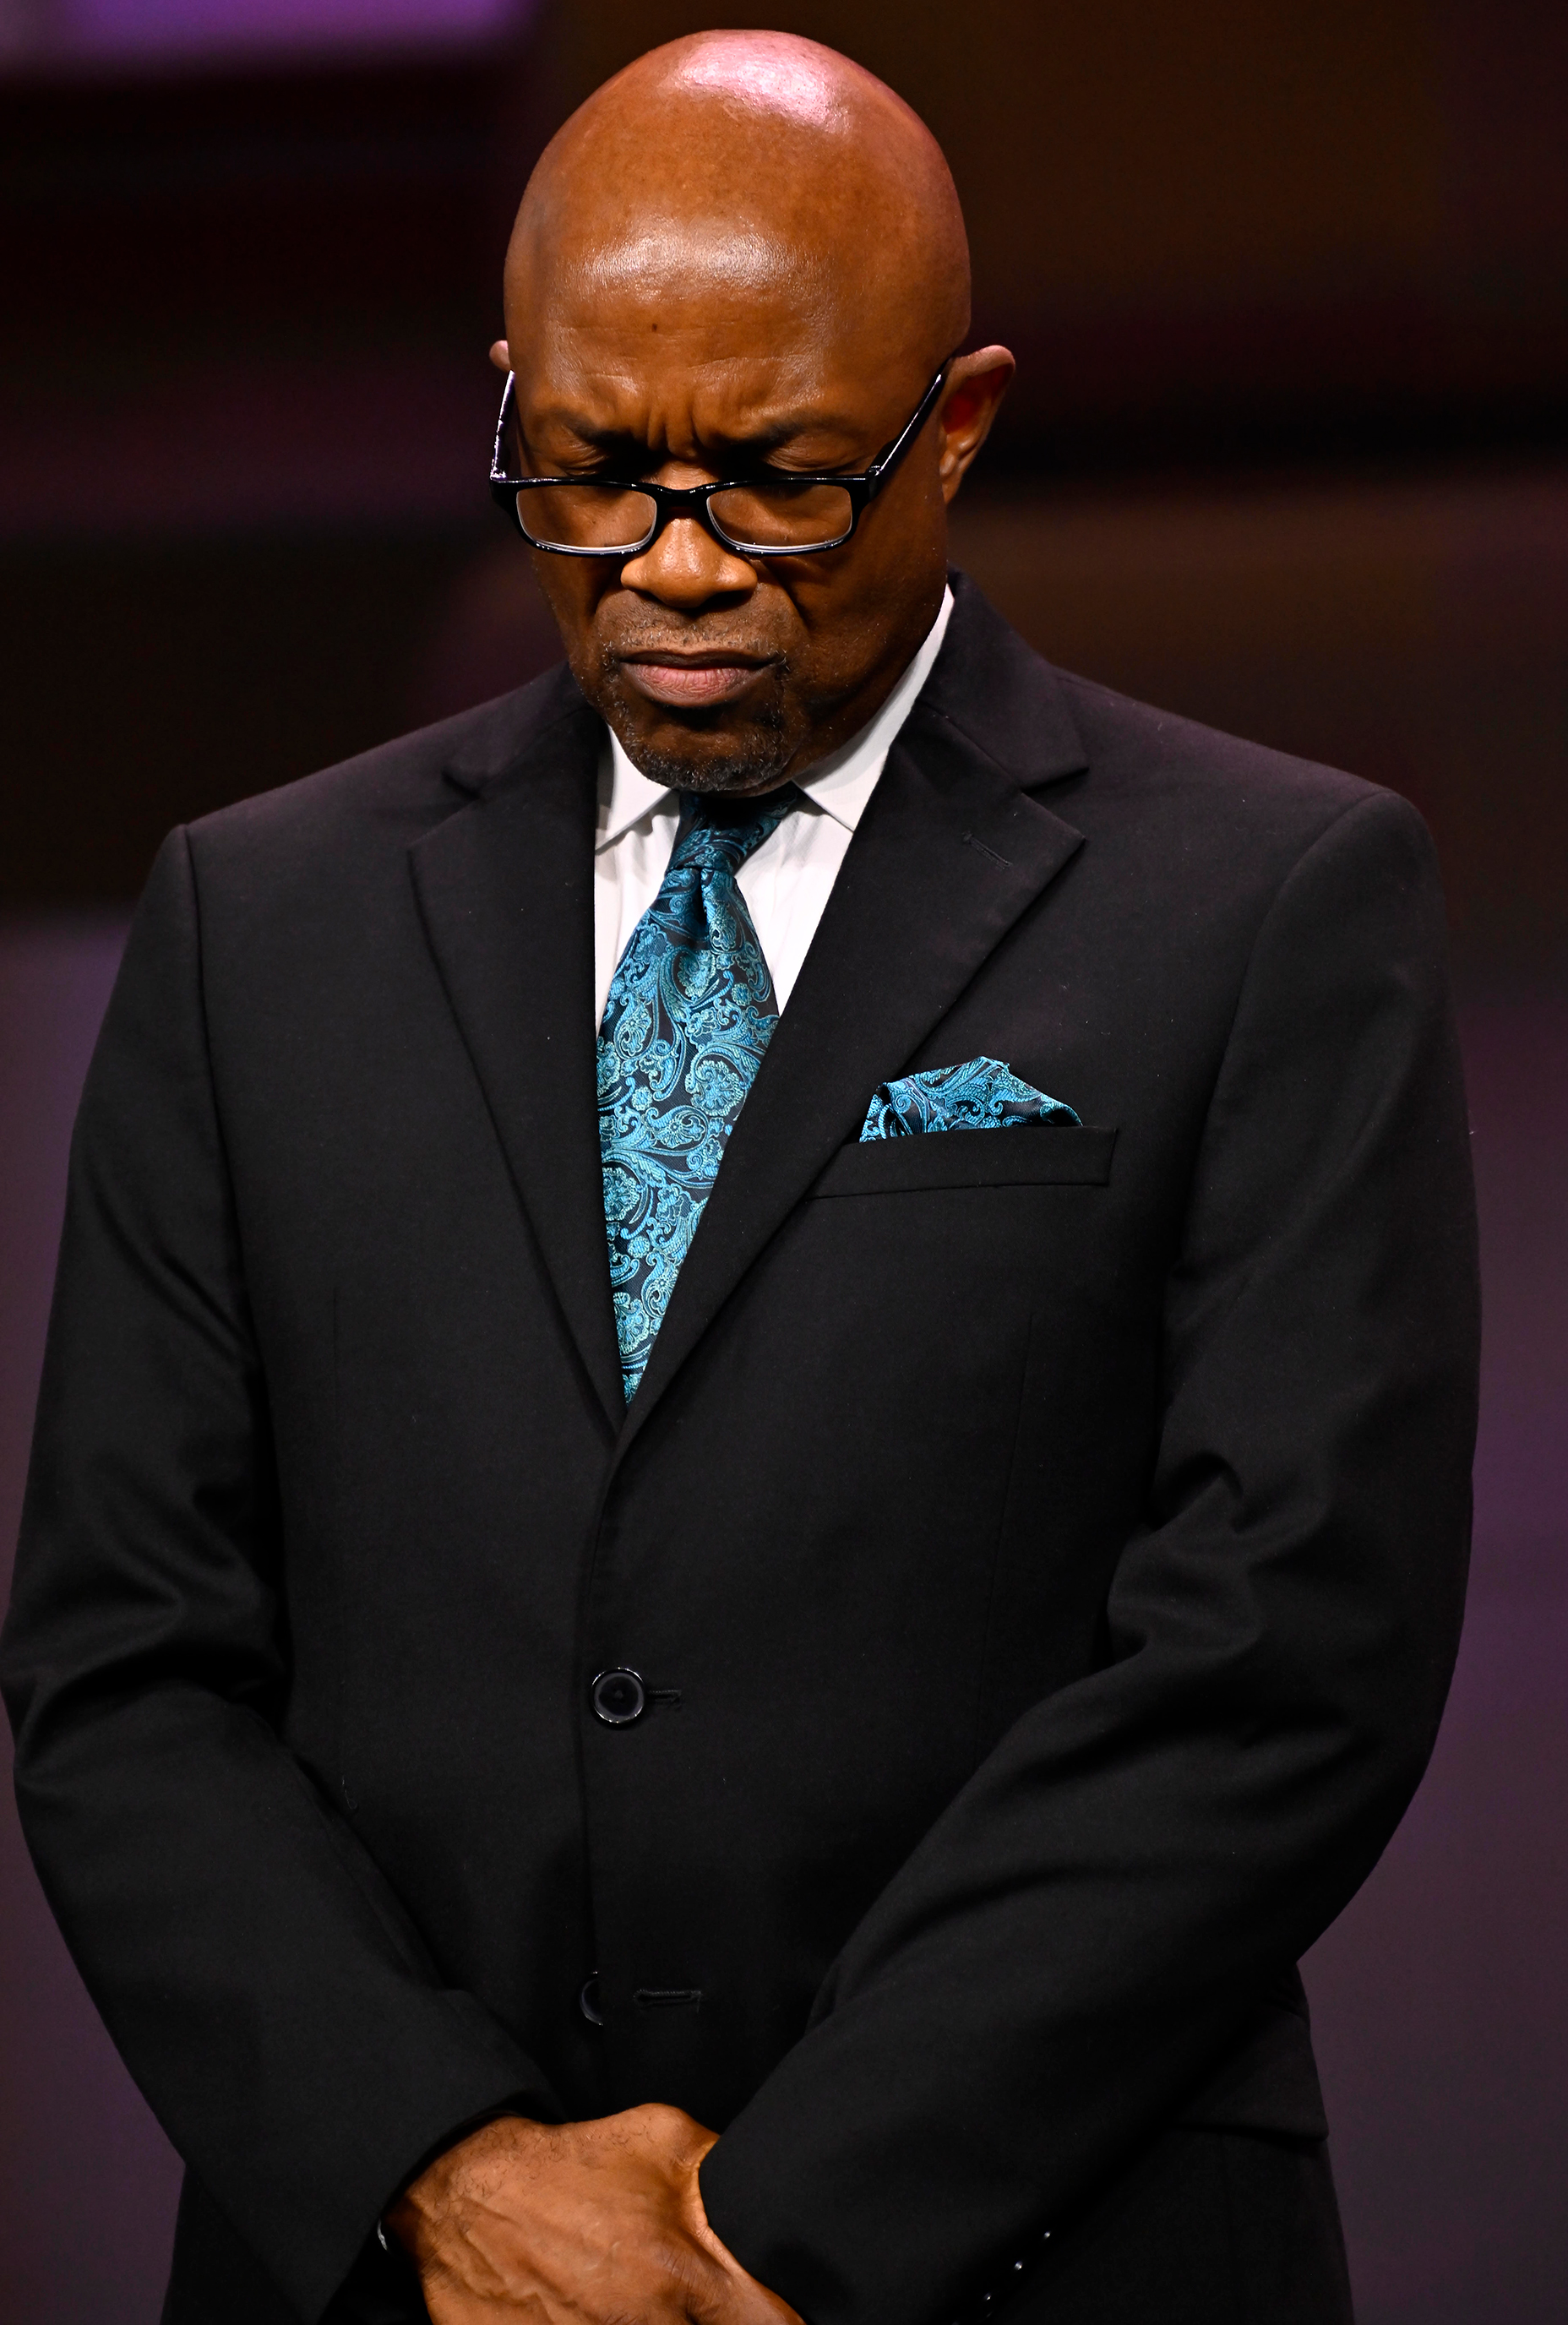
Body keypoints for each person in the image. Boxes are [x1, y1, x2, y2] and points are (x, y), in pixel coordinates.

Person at [2, 30, 1478, 2325]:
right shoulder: (251, 923)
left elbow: (1288, 1660)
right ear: (510, 400)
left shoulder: (1270, 902)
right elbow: (123, 1665)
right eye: (591, 472)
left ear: (958, 421)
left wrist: (749, 2241)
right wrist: (450, 2171)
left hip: (1049, 2258)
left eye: (781, 480)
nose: (676, 567)